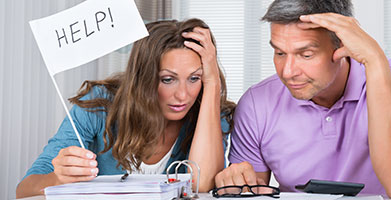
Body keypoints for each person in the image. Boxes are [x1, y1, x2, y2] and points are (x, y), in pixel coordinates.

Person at [214, 0, 391, 198]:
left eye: (306, 55)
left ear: (342, 44)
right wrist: (238, 185)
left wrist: (374, 60)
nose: (288, 72)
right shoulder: (256, 103)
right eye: (280, 53)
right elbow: (254, 192)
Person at [16, 18, 235, 198]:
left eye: (194, 78)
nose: (182, 95)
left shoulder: (210, 111)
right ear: (143, 78)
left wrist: (213, 82)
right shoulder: (100, 107)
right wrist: (58, 178)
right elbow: (24, 190)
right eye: (168, 79)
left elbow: (203, 185)